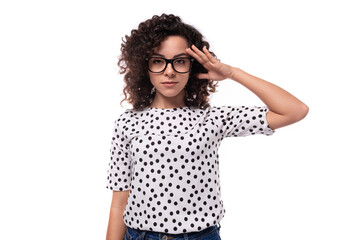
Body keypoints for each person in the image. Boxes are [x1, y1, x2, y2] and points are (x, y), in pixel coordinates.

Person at [105, 13, 309, 240]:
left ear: (193, 66)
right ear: (145, 66)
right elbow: (119, 203)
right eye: (158, 61)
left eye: (180, 61)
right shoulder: (127, 122)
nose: (169, 71)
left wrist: (232, 73)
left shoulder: (213, 118)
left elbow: (295, 110)